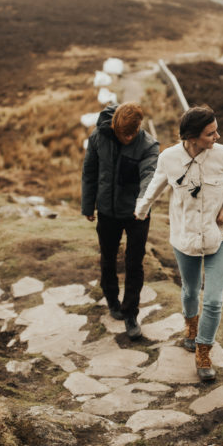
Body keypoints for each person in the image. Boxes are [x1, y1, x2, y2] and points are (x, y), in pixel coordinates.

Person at [135, 105, 223, 381]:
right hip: (184, 237)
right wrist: (140, 211)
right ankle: (191, 328)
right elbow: (155, 187)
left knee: (213, 300)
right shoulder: (169, 158)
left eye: (216, 131)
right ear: (191, 137)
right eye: (210, 133)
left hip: (219, 237)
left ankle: (203, 351)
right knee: (190, 291)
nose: (217, 137)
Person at [82, 102, 159, 339]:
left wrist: (142, 205)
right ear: (114, 126)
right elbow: (89, 172)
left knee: (134, 263)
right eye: (124, 134)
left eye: (133, 133)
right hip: (107, 211)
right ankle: (112, 300)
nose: (129, 137)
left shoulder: (148, 146)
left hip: (138, 213)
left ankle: (130, 313)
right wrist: (88, 205)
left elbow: (149, 177)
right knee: (108, 258)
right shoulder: (98, 137)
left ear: (139, 126)